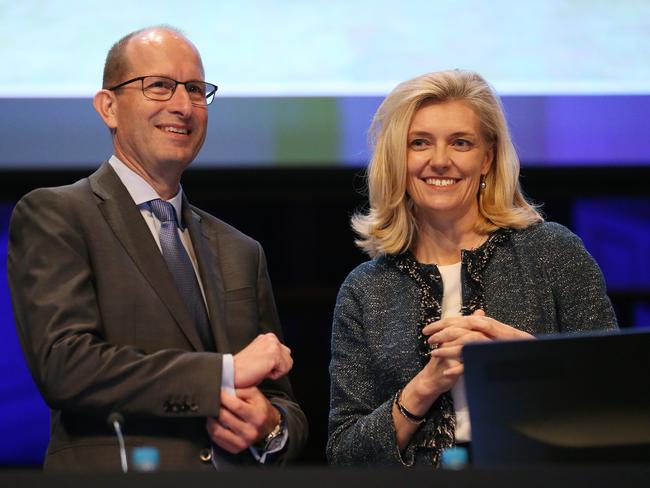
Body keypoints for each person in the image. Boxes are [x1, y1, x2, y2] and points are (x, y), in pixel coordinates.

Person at [8, 26, 307, 471]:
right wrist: (223, 374)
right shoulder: (57, 215)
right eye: (160, 86)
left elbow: (284, 403)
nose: (183, 106)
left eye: (195, 90)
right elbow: (67, 366)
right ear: (108, 106)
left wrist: (272, 427)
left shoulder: (241, 250)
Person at [327, 69, 617, 467]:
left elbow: (618, 401)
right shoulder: (366, 288)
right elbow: (345, 455)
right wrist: (425, 385)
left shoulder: (551, 252)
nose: (440, 161)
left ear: (488, 157)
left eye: (460, 143)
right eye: (419, 143)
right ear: (398, 157)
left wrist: (526, 363)